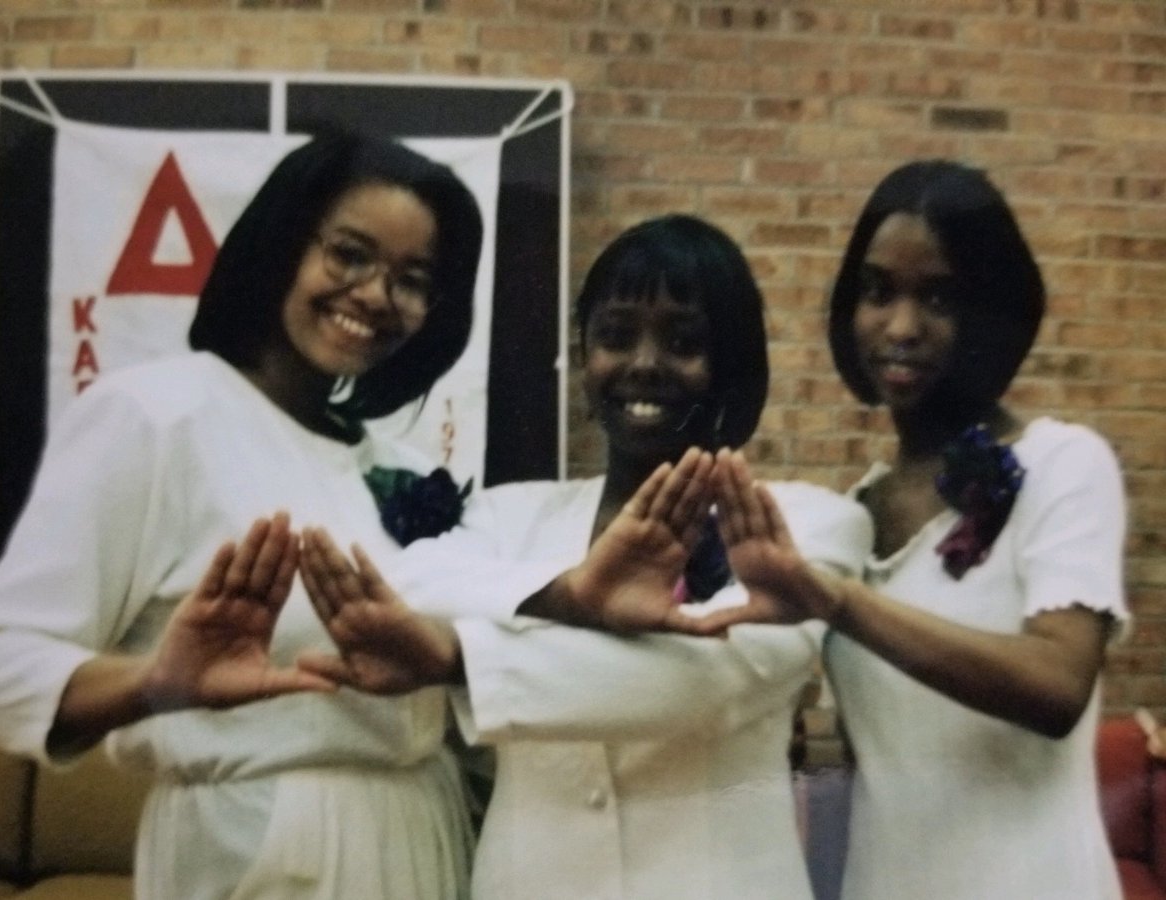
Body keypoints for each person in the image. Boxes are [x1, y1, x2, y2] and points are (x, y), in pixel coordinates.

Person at [0, 131, 526, 900]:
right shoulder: (157, 417)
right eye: (350, 255)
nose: (375, 294)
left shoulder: (401, 467)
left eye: (412, 280)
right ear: (281, 245)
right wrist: (156, 683)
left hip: (425, 827)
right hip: (262, 842)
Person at [296, 215, 873, 900]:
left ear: (732, 363)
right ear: (585, 356)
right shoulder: (510, 514)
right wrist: (572, 593)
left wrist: (457, 659)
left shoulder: (811, 523)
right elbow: (411, 587)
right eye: (615, 335)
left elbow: (714, 681)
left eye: (683, 342)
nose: (643, 363)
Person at [695, 160, 1129, 899]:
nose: (900, 327)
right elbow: (882, 759)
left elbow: (1058, 687)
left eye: (938, 297)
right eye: (877, 292)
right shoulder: (852, 518)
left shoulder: (1063, 464)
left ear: (991, 313)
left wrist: (836, 602)